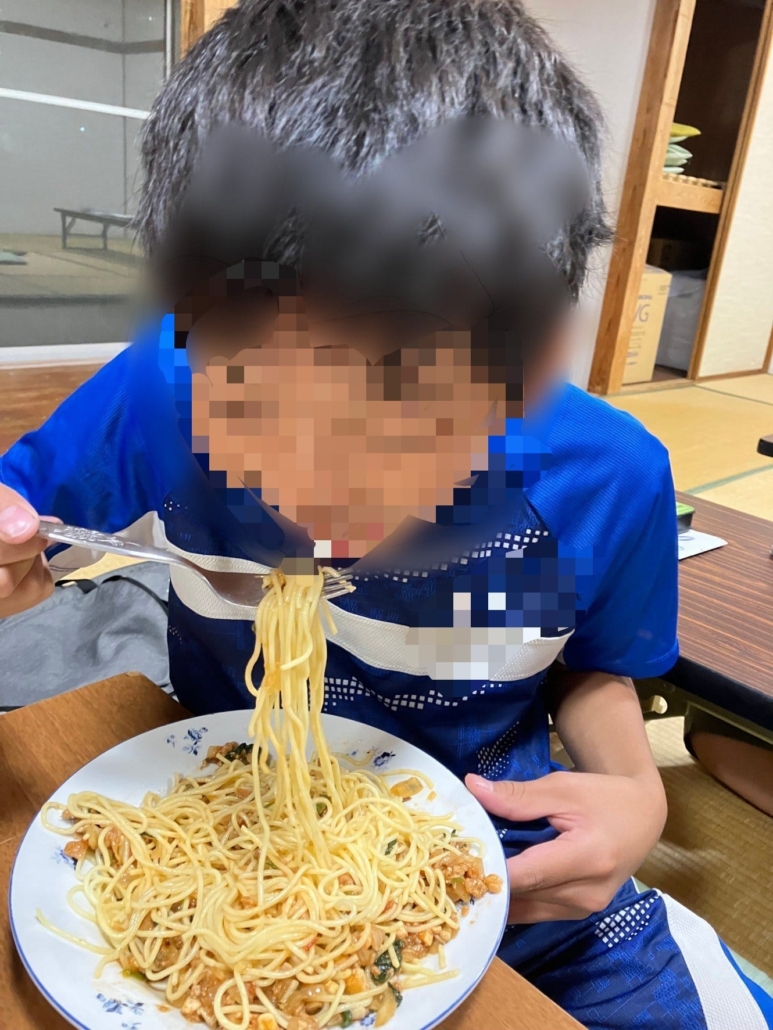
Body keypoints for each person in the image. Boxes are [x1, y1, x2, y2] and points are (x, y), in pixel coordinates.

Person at [0, 2, 771, 1026]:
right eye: (259, 407)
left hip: (498, 852)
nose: (320, 491)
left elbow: (593, 666)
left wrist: (636, 792)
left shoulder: (607, 477)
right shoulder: (154, 393)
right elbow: (24, 531)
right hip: (227, 813)